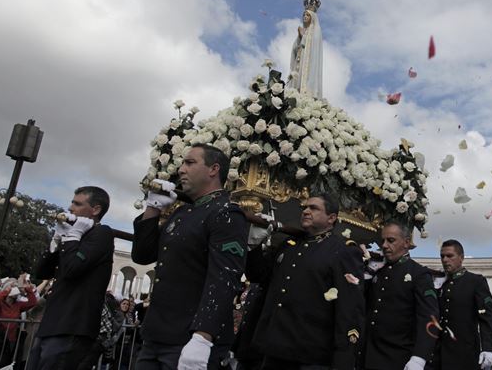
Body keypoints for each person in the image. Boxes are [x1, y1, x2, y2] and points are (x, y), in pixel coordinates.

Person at [132, 144, 248, 370]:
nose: (181, 169)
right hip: (156, 335)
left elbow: (224, 279)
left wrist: (203, 336)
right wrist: (152, 208)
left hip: (190, 337)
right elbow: (143, 255)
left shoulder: (226, 213)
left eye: (190, 162)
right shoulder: (182, 212)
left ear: (213, 169)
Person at [245, 193, 365, 370]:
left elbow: (349, 308)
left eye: (314, 208)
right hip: (275, 350)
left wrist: (343, 359)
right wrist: (254, 245)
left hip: (312, 355)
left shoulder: (343, 252)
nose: (306, 211)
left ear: (331, 218)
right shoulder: (289, 245)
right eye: (305, 208)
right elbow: (258, 276)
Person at [31, 186, 114, 370]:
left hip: (72, 326)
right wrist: (57, 238)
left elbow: (71, 269)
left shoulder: (101, 234)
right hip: (52, 324)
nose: (70, 208)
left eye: (77, 204)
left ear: (96, 209)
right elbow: (41, 272)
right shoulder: (73, 238)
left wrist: (73, 235)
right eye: (71, 202)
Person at [361, 222, 438, 370]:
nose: (384, 245)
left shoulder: (419, 274)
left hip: (399, 358)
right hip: (369, 357)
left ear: (406, 243)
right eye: (382, 241)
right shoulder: (377, 272)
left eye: (391, 240)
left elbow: (429, 318)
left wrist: (420, 357)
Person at [433, 239, 492, 370]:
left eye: (450, 256)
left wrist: (488, 348)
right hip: (437, 354)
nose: (445, 260)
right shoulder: (437, 283)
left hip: (464, 354)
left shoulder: (475, 282)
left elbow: (487, 317)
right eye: (442, 256)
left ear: (461, 258)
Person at [288, 0, 323, 98]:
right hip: (299, 64)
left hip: (308, 65)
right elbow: (295, 49)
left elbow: (314, 48)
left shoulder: (315, 32)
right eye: (304, 15)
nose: (304, 17)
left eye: (307, 15)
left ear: (312, 17)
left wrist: (303, 37)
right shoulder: (303, 31)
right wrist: (299, 37)